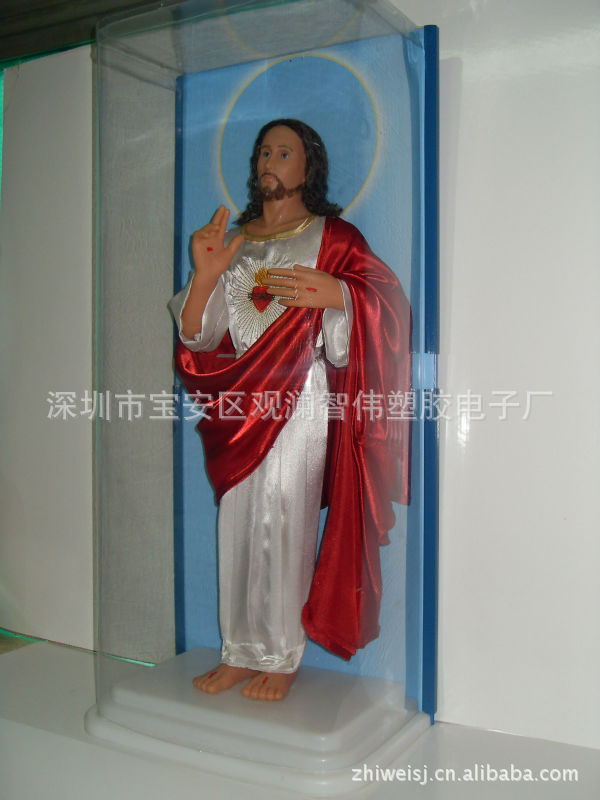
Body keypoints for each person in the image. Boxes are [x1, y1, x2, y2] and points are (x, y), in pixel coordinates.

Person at [170, 119, 411, 701]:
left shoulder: (335, 238)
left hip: (302, 395)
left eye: (284, 152)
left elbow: (390, 308)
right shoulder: (234, 243)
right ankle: (238, 650)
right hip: (238, 402)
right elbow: (200, 337)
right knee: (237, 524)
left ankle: (279, 656)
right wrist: (204, 278)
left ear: (309, 166)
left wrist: (341, 295)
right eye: (264, 152)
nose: (269, 162)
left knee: (284, 518)